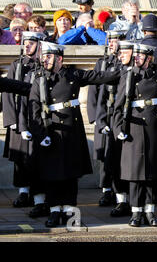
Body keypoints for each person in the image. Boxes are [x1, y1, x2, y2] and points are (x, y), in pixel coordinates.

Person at [28, 41, 120, 228]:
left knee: (70, 174)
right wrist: (40, 134)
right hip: (51, 131)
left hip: (71, 133)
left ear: (59, 58)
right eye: (43, 56)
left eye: (48, 56)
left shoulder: (73, 74)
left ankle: (70, 212)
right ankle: (54, 211)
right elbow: (34, 111)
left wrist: (124, 72)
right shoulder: (39, 80)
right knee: (52, 174)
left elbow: (99, 76)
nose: (44, 60)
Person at [113, 43, 157, 227]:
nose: (136, 58)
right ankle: (136, 211)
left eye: (140, 56)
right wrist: (118, 129)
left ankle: (150, 211)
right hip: (134, 127)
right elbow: (118, 106)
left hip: (154, 127)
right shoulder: (129, 76)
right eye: (135, 55)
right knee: (136, 172)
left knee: (152, 173)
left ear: (149, 58)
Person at [2, 31, 47, 212]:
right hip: (18, 118)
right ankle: (23, 191)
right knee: (21, 158)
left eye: (31, 42)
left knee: (37, 158)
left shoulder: (44, 65)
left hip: (36, 119)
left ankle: (39, 196)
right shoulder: (17, 65)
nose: (27, 45)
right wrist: (12, 119)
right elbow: (8, 92)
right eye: (25, 42)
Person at [87, 31, 127, 209]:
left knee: (120, 154)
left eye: (115, 40)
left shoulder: (127, 62)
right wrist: (96, 118)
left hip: (121, 113)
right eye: (109, 40)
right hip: (105, 114)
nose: (111, 43)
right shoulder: (102, 63)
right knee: (104, 154)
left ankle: (120, 191)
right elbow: (94, 91)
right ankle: (106, 190)